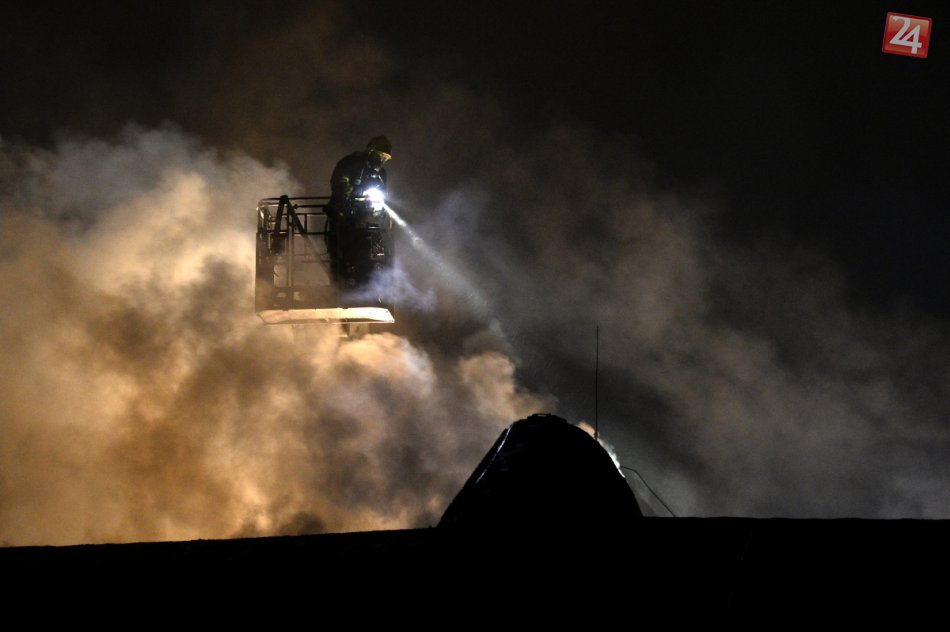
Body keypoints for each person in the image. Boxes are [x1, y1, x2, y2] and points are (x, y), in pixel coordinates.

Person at [325, 136, 392, 286]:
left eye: (384, 158)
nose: (381, 161)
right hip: (342, 217)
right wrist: (351, 192)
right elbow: (338, 183)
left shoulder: (381, 174)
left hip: (366, 221)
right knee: (338, 254)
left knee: (366, 252)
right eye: (379, 156)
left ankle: (363, 284)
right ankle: (338, 284)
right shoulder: (350, 164)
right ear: (370, 152)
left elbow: (383, 193)